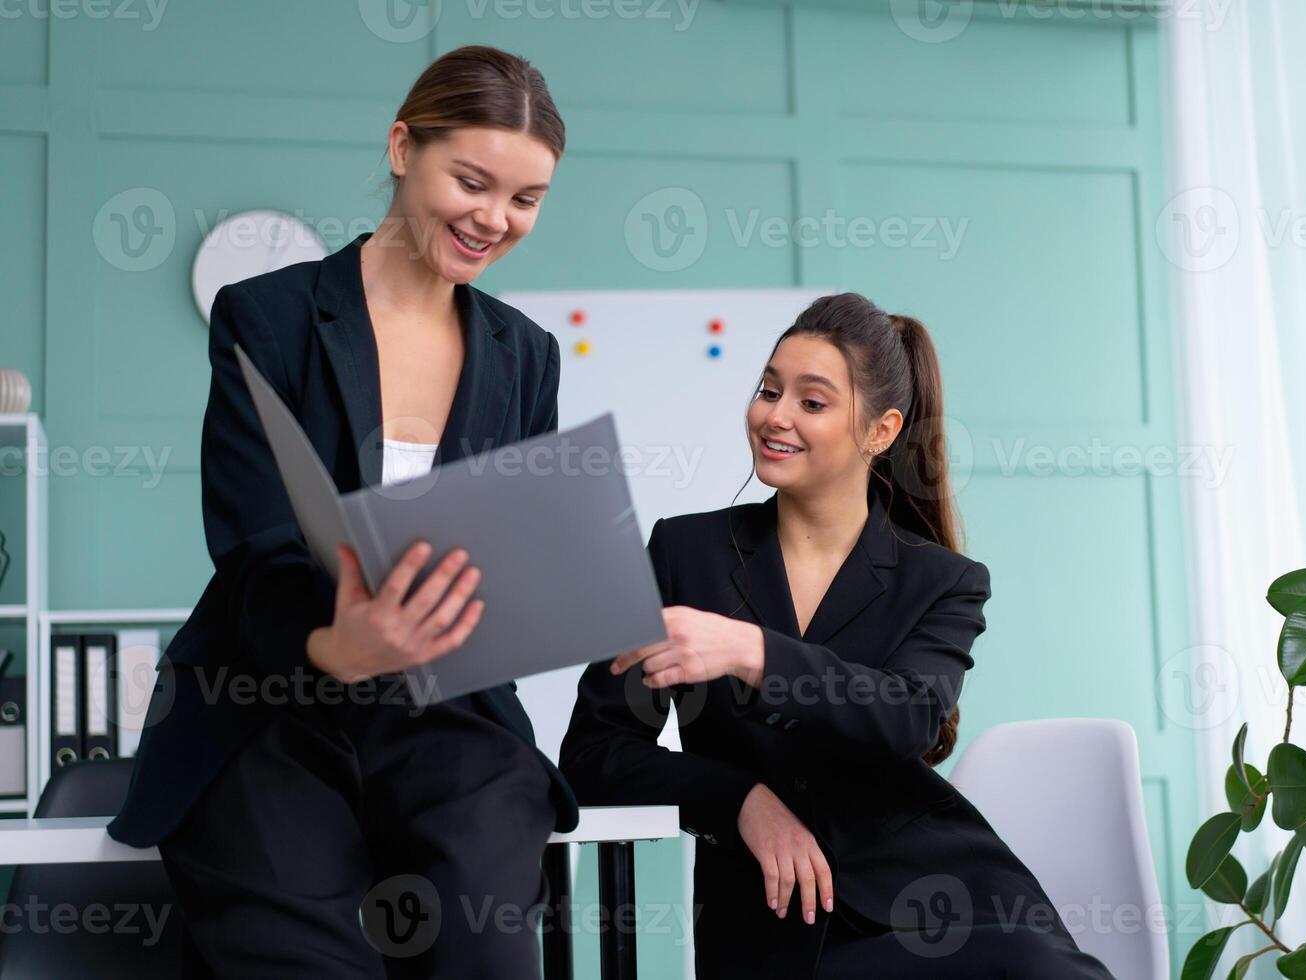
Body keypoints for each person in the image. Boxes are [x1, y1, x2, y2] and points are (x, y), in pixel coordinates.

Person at [108, 45, 575, 977]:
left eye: (524, 200)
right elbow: (255, 542)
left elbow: (515, 560)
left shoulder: (526, 355)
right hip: (271, 703)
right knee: (305, 957)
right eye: (473, 181)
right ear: (404, 147)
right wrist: (334, 645)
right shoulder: (268, 316)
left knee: (485, 951)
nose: (494, 219)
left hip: (447, 716)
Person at [559, 292, 1119, 979]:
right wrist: (737, 799)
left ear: (880, 432)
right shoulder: (683, 554)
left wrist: (750, 651)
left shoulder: (943, 580)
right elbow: (594, 753)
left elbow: (908, 715)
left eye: (812, 402)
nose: (775, 415)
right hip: (768, 931)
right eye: (769, 389)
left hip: (950, 908)